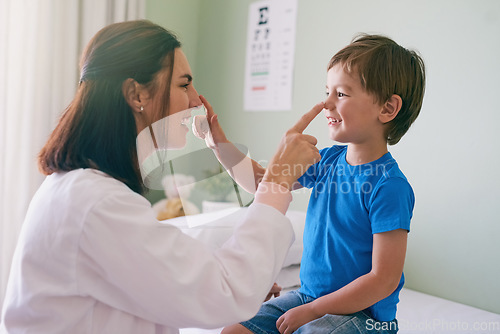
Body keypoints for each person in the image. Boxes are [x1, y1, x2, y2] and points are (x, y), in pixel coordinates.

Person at [0, 20, 324, 334]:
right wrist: (278, 182)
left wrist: (249, 271)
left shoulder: (81, 190)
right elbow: (222, 291)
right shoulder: (96, 204)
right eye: (184, 84)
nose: (197, 100)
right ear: (137, 95)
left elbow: (167, 272)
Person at [223, 34, 426, 334]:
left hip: (363, 315)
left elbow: (384, 279)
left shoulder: (389, 186)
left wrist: (313, 312)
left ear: (387, 109)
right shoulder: (327, 160)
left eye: (341, 94)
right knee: (233, 331)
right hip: (309, 297)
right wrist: (219, 145)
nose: (326, 103)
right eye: (327, 91)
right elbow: (262, 182)